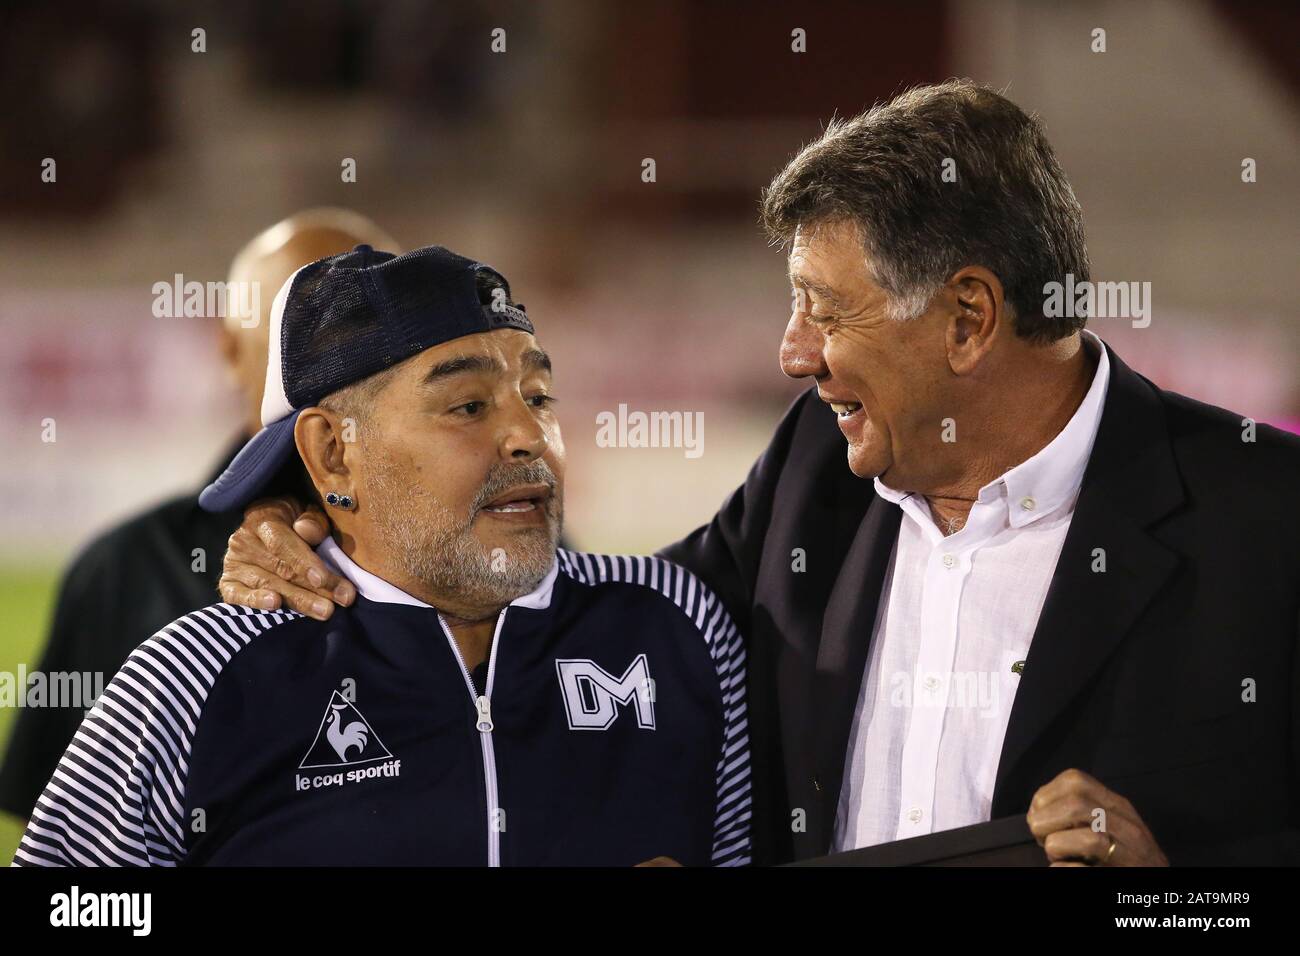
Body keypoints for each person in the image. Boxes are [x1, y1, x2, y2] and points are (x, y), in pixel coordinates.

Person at [214, 80, 1300, 866]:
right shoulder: (814, 472)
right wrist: (331, 522)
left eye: (825, 310)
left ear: (968, 317)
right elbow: (589, 624)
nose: (791, 353)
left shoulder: (1266, 524)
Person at [14, 244, 750, 867]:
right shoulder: (192, 679)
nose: (531, 435)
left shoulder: (677, 626)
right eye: (469, 406)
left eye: (539, 394)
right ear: (333, 455)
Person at [0, 209, 397, 823]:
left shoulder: (495, 555)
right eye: (297, 333)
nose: (337, 364)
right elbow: (62, 833)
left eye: (371, 333)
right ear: (230, 349)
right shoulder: (123, 571)